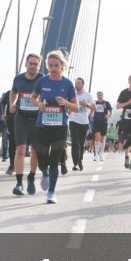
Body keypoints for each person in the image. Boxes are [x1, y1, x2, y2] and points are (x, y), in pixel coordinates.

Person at [31, 50, 79, 204]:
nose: (53, 68)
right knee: (42, 159)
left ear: (62, 66)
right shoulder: (42, 82)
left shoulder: (67, 84)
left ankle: (51, 192)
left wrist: (65, 103)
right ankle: (44, 172)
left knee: (54, 160)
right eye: (50, 65)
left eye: (56, 65)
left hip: (60, 126)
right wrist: (39, 104)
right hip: (42, 125)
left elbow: (76, 107)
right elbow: (33, 97)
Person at [9, 53, 42, 195]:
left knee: (35, 150)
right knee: (21, 150)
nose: (33, 66)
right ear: (26, 64)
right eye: (31, 63)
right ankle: (18, 183)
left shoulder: (42, 79)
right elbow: (14, 92)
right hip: (21, 118)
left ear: (39, 66)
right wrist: (12, 103)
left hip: (37, 119)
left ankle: (32, 177)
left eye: (36, 64)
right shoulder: (18, 79)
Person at [68, 77, 94, 171]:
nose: (76, 85)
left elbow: (95, 108)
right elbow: (67, 105)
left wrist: (86, 105)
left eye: (78, 83)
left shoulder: (88, 95)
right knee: (75, 142)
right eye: (75, 83)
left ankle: (80, 161)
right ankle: (75, 163)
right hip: (73, 121)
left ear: (83, 85)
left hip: (84, 123)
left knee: (81, 143)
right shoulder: (72, 94)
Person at [91, 91, 113, 162]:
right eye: (98, 95)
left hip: (104, 123)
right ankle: (95, 155)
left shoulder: (107, 103)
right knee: (97, 138)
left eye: (100, 95)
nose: (99, 96)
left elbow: (111, 111)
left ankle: (101, 154)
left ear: (103, 95)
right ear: (97, 96)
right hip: (96, 122)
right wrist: (91, 115)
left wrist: (108, 115)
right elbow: (91, 110)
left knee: (102, 140)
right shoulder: (95, 103)